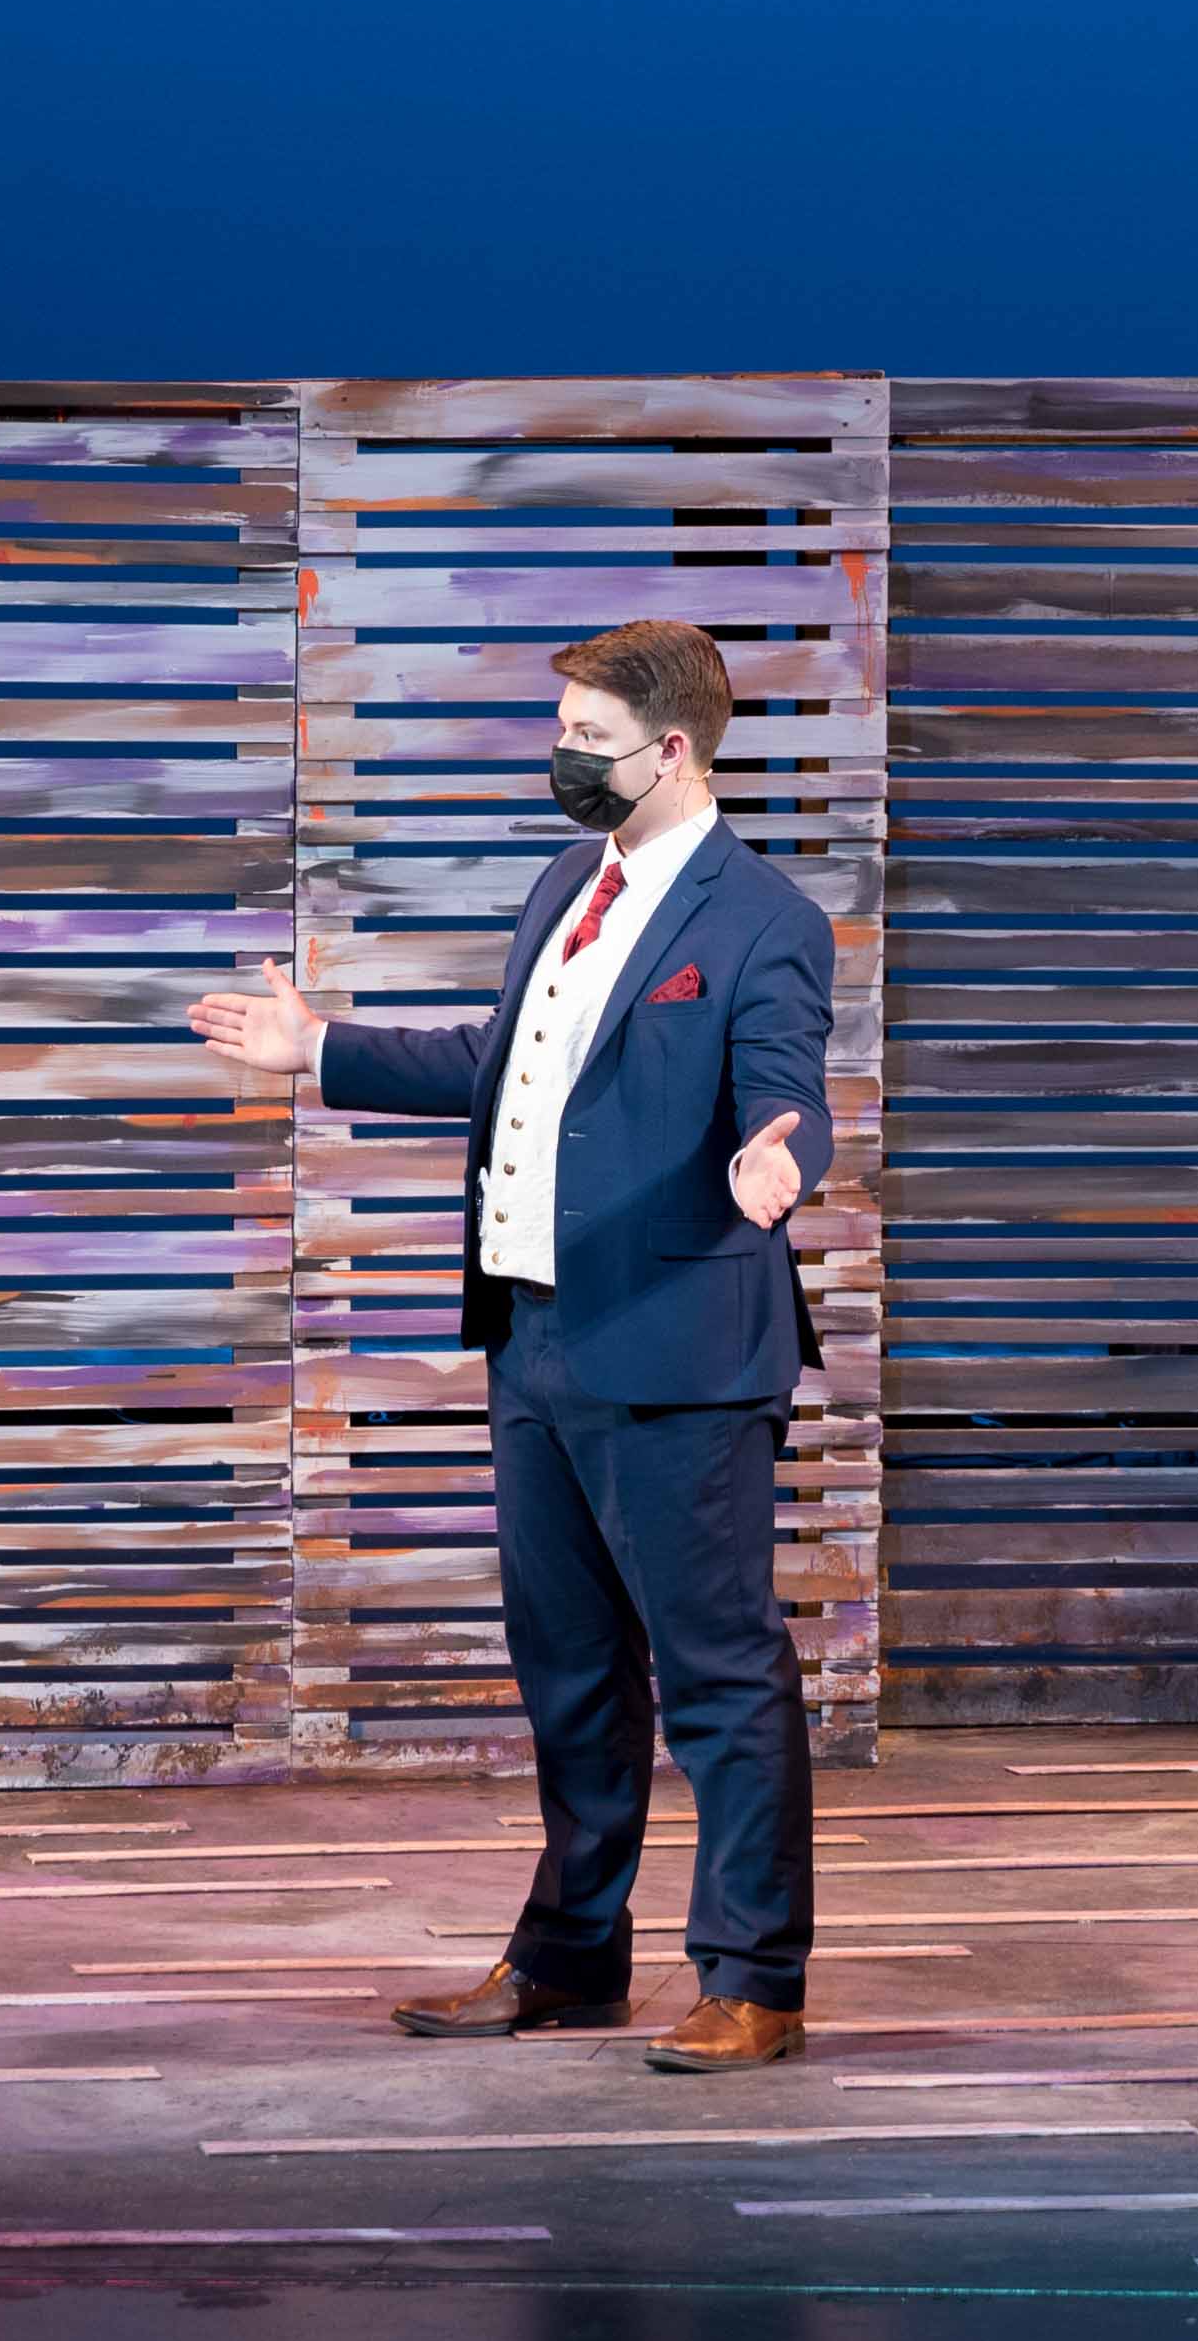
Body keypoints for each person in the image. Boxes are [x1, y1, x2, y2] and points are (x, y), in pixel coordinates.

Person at [190, 619, 835, 2070]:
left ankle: (753, 1977)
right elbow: (504, 1064)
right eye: (561, 736)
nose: (564, 762)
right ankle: (569, 1957)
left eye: (587, 742)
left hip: (677, 1348)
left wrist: (781, 1162)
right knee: (570, 1668)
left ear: (672, 750)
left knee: (719, 1674)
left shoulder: (761, 919)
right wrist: (323, 1051)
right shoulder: (570, 885)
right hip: (537, 1338)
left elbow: (784, 1089)